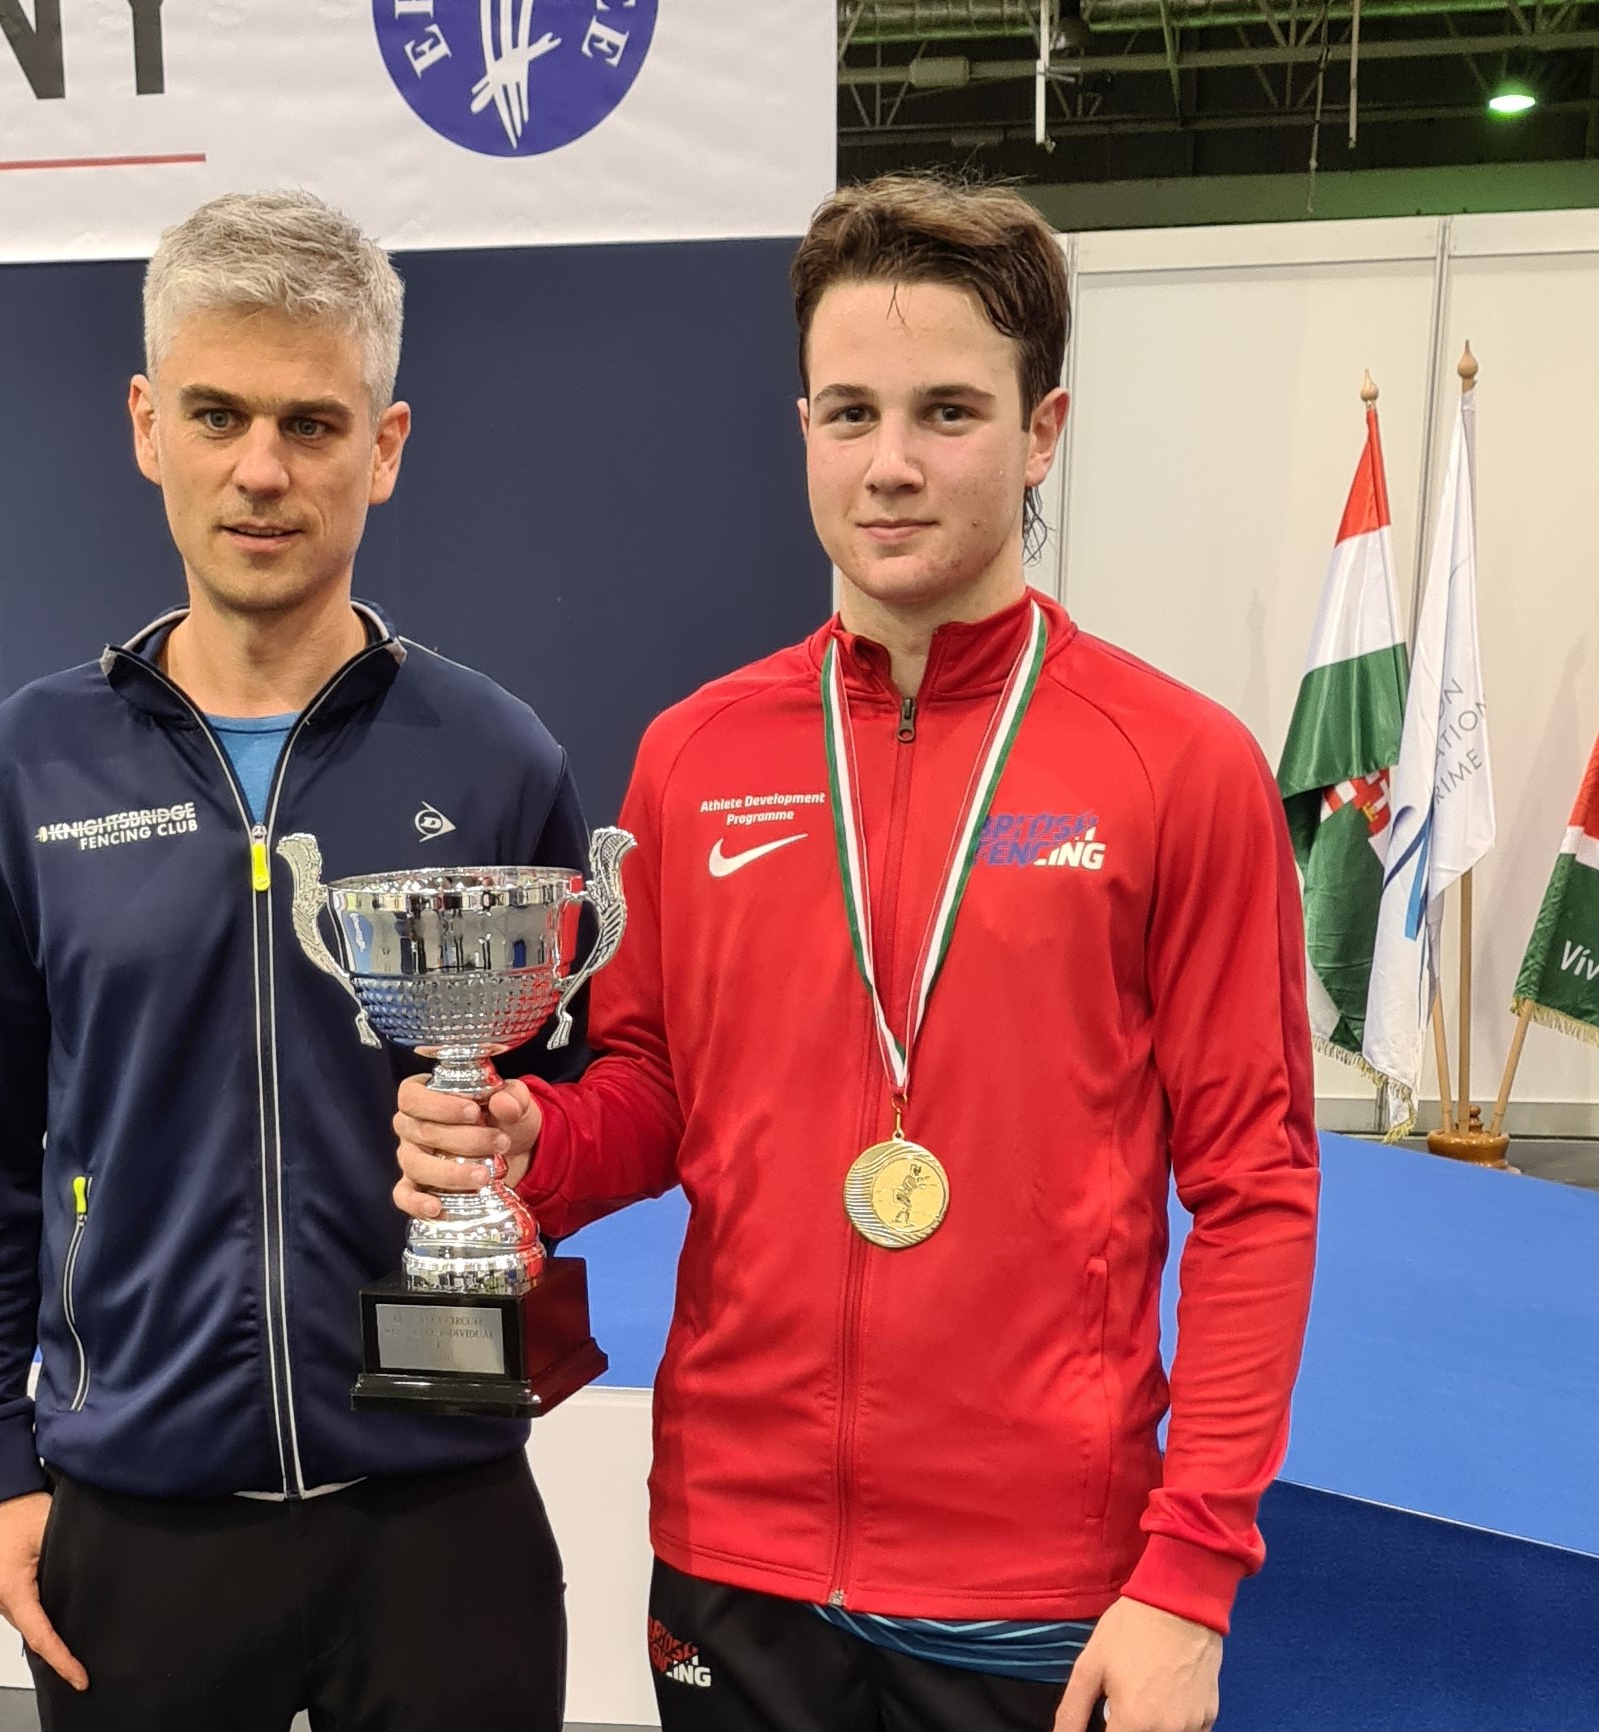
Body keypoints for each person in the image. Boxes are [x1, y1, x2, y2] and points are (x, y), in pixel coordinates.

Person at [393, 174, 1320, 1732]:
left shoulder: (1175, 764)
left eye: (947, 411)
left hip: (1036, 1583)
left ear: (1041, 432)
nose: (889, 463)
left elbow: (1255, 1188)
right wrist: (525, 1143)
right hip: (732, 1556)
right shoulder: (695, 754)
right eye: (848, 413)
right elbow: (654, 1090)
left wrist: (1187, 1576)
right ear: (803, 428)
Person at [0, 191, 583, 1732]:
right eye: (217, 415)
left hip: (442, 1508)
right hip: (137, 1520)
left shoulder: (495, 757)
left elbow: (582, 1101)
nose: (262, 470)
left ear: (384, 447)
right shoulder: (24, 768)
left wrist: (526, 1152)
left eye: (311, 423)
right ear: (147, 425)